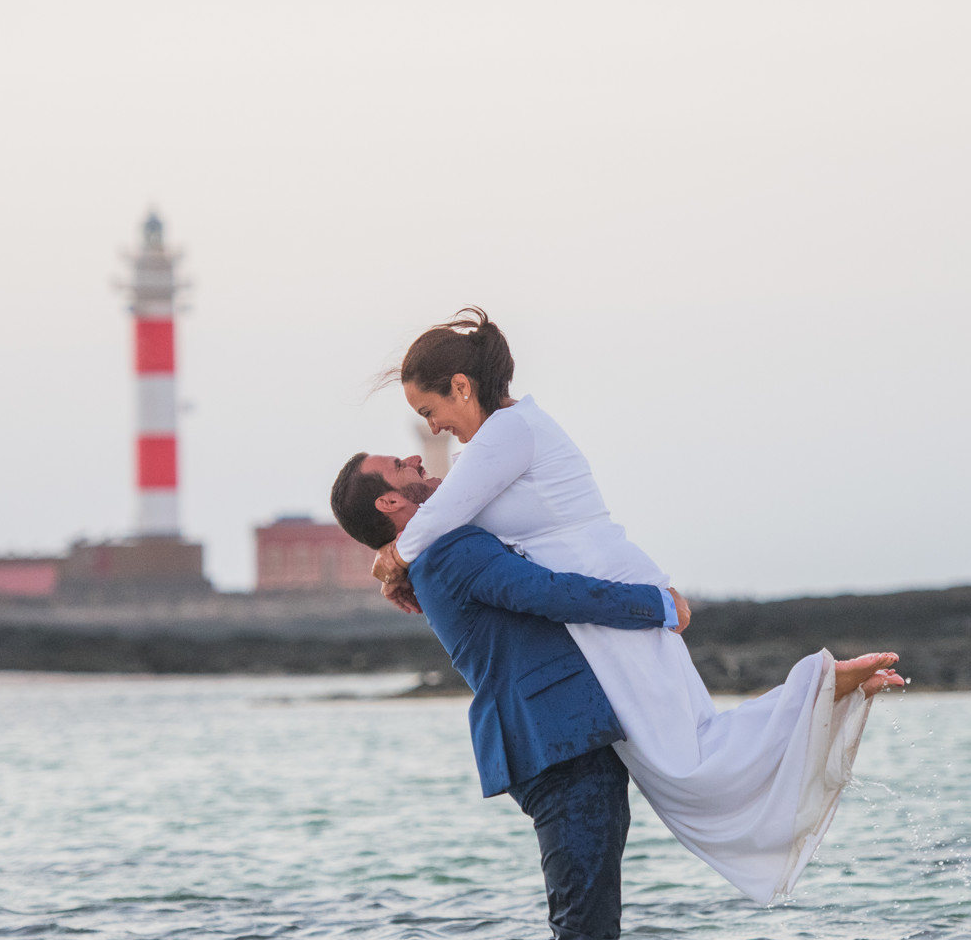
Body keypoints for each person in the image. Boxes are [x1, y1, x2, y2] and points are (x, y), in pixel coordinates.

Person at [370, 309, 904, 905]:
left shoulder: (509, 432)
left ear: (461, 386)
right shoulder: (498, 442)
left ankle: (824, 684)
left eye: (430, 410)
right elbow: (457, 532)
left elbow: (439, 519)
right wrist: (407, 566)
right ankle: (826, 687)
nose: (434, 427)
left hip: (612, 599)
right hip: (600, 608)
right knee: (685, 753)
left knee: (687, 759)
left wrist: (392, 557)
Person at [329, 450, 689, 940]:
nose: (418, 456)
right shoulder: (449, 551)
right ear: (390, 503)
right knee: (585, 929)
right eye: (401, 465)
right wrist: (655, 605)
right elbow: (546, 592)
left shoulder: (435, 548)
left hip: (559, 737)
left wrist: (391, 556)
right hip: (556, 743)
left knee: (586, 925)